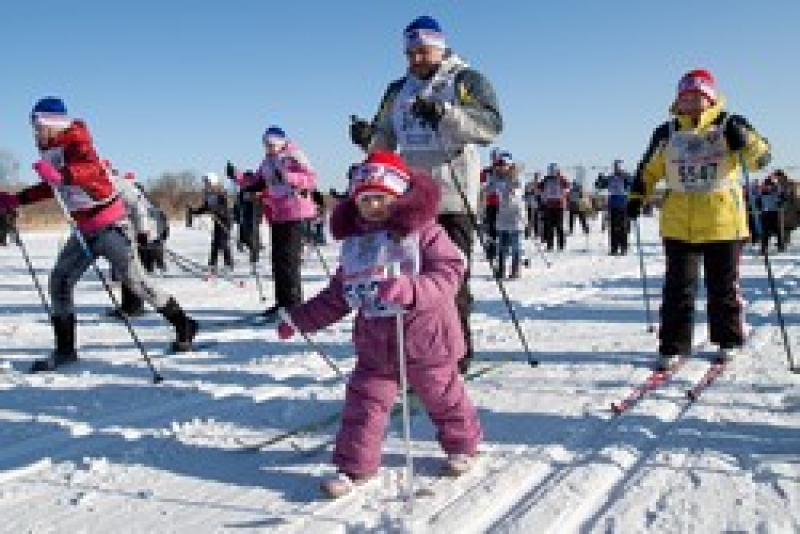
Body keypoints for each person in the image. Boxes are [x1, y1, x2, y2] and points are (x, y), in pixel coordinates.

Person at [277, 152, 482, 498]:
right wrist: (299, 320)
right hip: (376, 344)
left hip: (426, 339)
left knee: (443, 396)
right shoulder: (358, 246)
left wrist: (412, 288)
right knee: (364, 404)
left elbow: (450, 272)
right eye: (365, 199)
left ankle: (463, 445)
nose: (372, 206)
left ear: (399, 196)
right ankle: (355, 466)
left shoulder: (426, 233)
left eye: (380, 198)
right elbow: (338, 296)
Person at [349, 15, 503, 373]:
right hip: (410, 199)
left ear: (439, 46)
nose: (415, 59)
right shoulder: (396, 89)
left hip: (453, 196)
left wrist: (445, 113)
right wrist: (366, 140)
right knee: (408, 278)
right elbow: (385, 139)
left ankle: (455, 356)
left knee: (449, 280)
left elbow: (491, 126)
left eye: (422, 51)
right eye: (410, 52)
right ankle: (416, 353)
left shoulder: (466, 79)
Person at [0, 97, 198, 371]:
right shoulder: (50, 149)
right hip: (83, 230)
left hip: (110, 226)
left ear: (53, 124)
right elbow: (54, 187)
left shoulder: (78, 141)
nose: (35, 131)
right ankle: (65, 350)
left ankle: (184, 324)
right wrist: (18, 199)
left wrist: (61, 176)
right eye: (33, 126)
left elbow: (91, 172)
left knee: (136, 283)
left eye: (38, 125)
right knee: (59, 282)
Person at [628, 69, 771, 369]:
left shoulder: (729, 123)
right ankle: (673, 345)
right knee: (678, 287)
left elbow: (761, 159)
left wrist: (746, 141)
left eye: (698, 97)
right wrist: (636, 198)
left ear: (710, 99)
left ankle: (728, 339)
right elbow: (648, 169)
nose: (691, 103)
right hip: (680, 222)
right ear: (678, 101)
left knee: (724, 287)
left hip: (724, 222)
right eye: (685, 97)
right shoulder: (666, 132)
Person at [240, 126, 318, 320]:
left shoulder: (294, 155)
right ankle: (282, 302)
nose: (268, 147)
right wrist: (239, 177)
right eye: (265, 144)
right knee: (278, 260)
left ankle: (294, 305)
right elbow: (258, 182)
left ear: (280, 142)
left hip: (296, 212)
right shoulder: (267, 161)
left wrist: (289, 176)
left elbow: (311, 179)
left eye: (271, 144)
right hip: (277, 213)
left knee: (289, 260)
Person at [106, 169, 169, 318]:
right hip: (135, 236)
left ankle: (134, 307)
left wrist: (145, 234)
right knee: (126, 271)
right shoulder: (120, 191)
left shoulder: (129, 192)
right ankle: (128, 306)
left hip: (144, 237)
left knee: (132, 272)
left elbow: (144, 215)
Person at [191, 172, 234, 273]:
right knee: (215, 243)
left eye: (207, 182)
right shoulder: (208, 194)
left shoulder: (221, 193)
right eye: (205, 182)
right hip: (216, 220)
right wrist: (195, 212)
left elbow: (225, 208)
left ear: (212, 182)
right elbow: (205, 207)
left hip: (225, 220)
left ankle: (229, 264)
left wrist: (215, 209)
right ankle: (212, 264)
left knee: (223, 243)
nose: (205, 184)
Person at [494, 157, 525, 279]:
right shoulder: (497, 179)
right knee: (501, 245)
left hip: (515, 214)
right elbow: (490, 189)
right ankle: (501, 270)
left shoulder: (517, 178)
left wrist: (512, 186)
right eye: (499, 165)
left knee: (515, 245)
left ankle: (515, 270)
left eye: (503, 165)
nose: (501, 167)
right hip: (503, 214)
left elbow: (517, 192)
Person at [596, 159, 633, 255]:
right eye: (615, 167)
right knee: (613, 227)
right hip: (612, 204)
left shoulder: (626, 176)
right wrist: (600, 179)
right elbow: (599, 186)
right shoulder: (611, 178)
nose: (616, 169)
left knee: (622, 227)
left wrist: (627, 179)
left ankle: (624, 248)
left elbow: (632, 184)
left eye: (618, 167)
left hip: (623, 204)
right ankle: (614, 248)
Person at [539, 163, 570, 251]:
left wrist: (560, 176)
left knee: (559, 225)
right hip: (549, 204)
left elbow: (567, 185)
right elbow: (539, 187)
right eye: (550, 170)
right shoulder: (546, 179)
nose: (552, 172)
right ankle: (550, 245)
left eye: (554, 170)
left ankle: (561, 245)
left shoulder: (561, 178)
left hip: (559, 205)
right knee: (549, 226)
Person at [757, 176, 786, 254]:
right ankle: (764, 248)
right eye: (767, 185)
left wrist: (781, 203)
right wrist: (759, 207)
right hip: (765, 213)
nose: (768, 187)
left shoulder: (777, 192)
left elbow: (783, 199)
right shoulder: (762, 193)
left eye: (771, 185)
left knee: (779, 231)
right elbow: (758, 202)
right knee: (765, 232)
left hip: (775, 213)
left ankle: (781, 246)